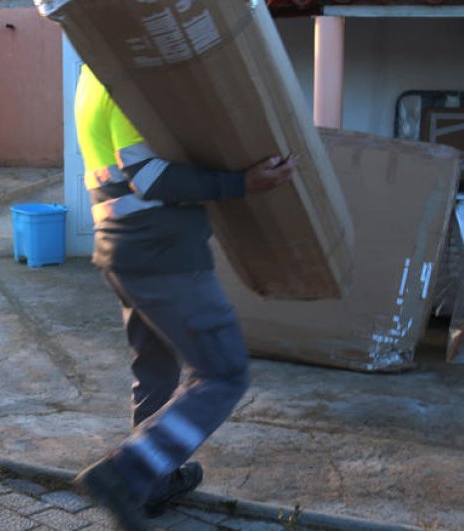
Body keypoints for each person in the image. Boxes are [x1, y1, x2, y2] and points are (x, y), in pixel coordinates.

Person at [72, 66, 297, 529]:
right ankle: (129, 471)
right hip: (163, 254)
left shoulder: (92, 76)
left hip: (120, 247)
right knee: (223, 372)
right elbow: (149, 177)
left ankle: (151, 483)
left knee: (156, 372)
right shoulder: (133, 79)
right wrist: (241, 183)